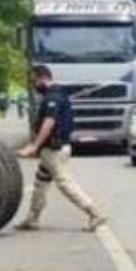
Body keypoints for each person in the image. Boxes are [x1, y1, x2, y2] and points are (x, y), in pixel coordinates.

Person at [16, 65, 107, 232]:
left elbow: (48, 123)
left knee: (64, 183)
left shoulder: (54, 97)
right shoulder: (57, 94)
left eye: (34, 80)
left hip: (54, 150)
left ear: (43, 78)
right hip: (51, 149)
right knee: (40, 183)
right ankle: (33, 218)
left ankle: (94, 213)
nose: (33, 85)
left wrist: (34, 146)